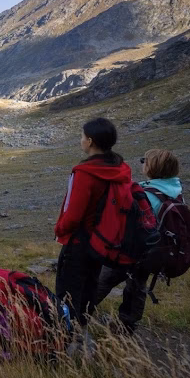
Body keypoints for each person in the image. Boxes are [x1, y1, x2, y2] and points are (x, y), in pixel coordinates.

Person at [54, 117, 131, 335]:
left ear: (90, 141)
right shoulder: (119, 168)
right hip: (102, 241)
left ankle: (65, 335)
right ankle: (83, 327)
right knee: (90, 285)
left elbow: (74, 214)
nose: (80, 140)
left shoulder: (85, 173)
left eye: (82, 136)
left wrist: (59, 229)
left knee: (68, 291)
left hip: (79, 241)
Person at [93, 149, 182, 334]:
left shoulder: (146, 193)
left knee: (103, 280)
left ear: (153, 167)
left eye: (145, 160)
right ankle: (127, 326)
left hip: (130, 250)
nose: (142, 163)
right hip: (154, 253)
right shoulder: (175, 191)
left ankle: (75, 313)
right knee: (137, 286)